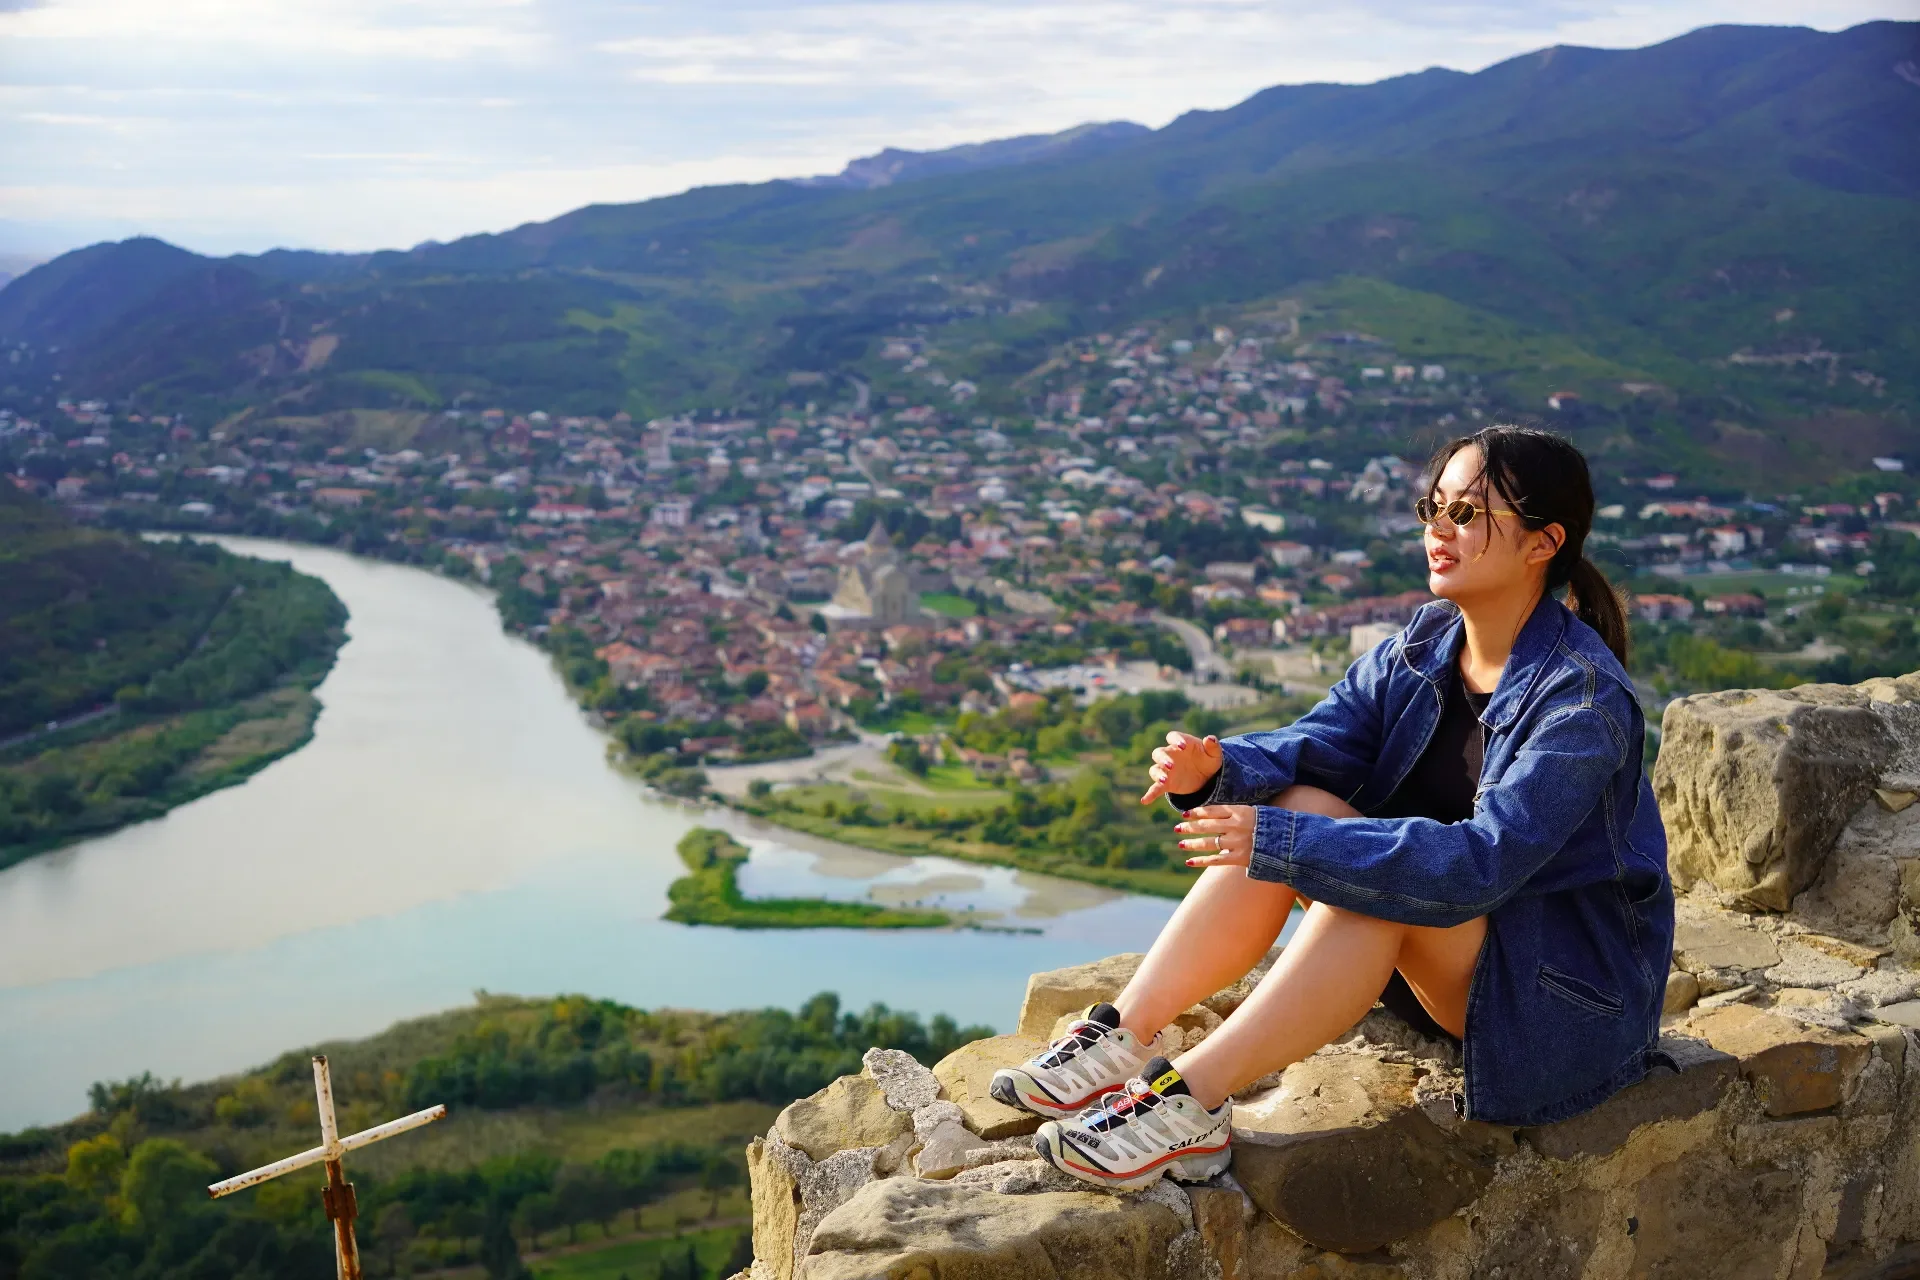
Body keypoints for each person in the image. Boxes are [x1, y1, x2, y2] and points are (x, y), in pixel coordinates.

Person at [991, 426, 1673, 1190]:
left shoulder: (1579, 699)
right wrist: (1219, 768)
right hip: (1458, 962)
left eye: (1469, 514)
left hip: (1555, 1006)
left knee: (1367, 879)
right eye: (1434, 507)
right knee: (1302, 804)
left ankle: (1189, 1102)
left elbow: (1477, 866)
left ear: (1544, 542)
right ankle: (1124, 1034)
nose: (1438, 531)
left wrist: (1286, 841)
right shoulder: (1428, 642)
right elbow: (1323, 743)